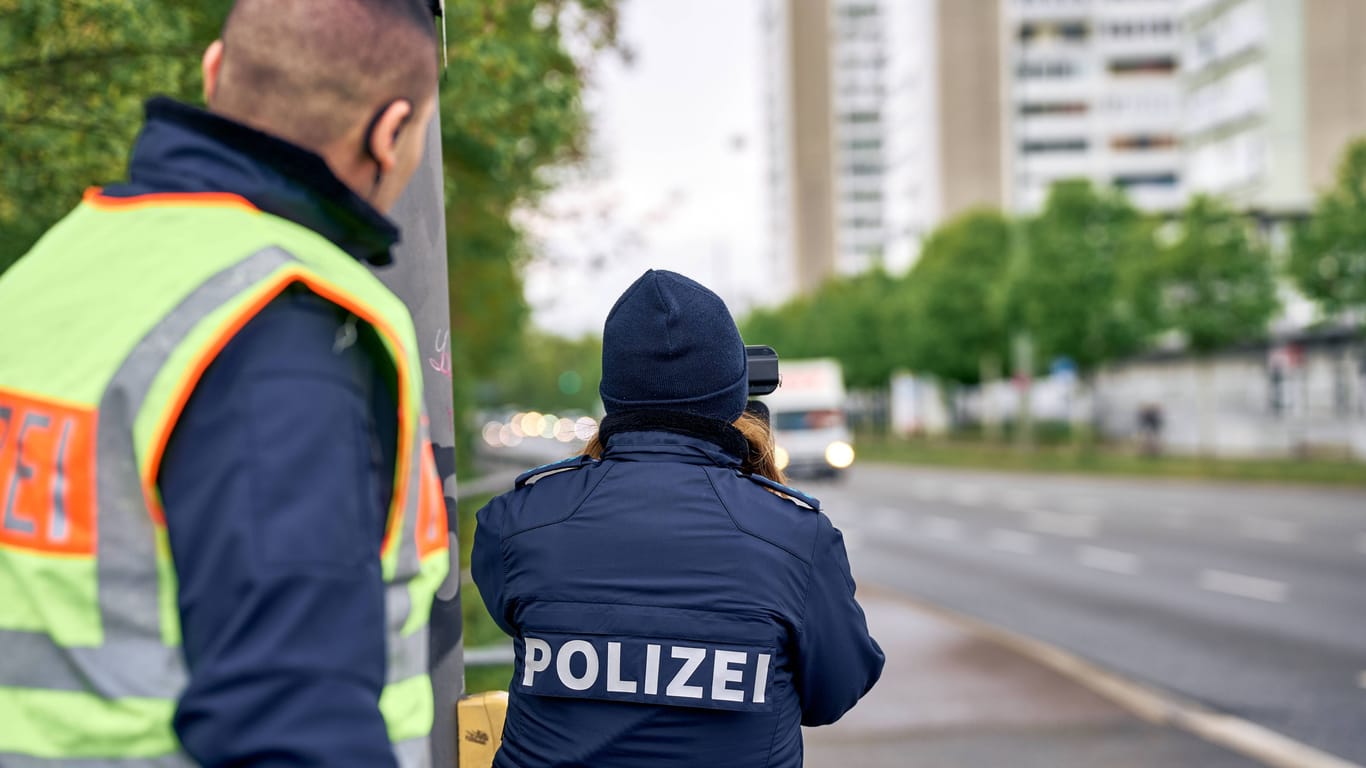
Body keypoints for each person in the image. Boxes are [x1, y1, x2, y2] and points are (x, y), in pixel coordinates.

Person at [0, 1, 451, 765]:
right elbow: (289, 723)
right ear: (391, 131)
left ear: (214, 72)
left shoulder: (49, 271)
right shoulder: (285, 319)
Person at [472, 270, 884, 768]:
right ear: (734, 395)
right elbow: (834, 692)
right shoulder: (796, 536)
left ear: (614, 392)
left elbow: (513, 612)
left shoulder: (516, 522)